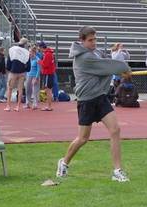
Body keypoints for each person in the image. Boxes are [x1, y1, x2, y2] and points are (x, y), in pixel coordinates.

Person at [56, 26, 131, 182]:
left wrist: (119, 71)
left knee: (115, 130)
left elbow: (107, 64)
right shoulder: (83, 58)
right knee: (83, 138)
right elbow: (107, 66)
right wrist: (124, 69)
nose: (94, 43)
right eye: (90, 40)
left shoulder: (95, 53)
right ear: (81, 41)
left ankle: (117, 170)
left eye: (95, 39)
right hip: (86, 101)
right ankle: (64, 162)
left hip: (100, 97)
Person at [5, 37, 31, 112]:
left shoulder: (12, 49)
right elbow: (28, 65)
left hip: (13, 71)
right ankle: (18, 106)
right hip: (22, 72)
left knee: (10, 88)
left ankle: (8, 105)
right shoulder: (26, 53)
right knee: (20, 89)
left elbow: (9, 61)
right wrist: (25, 69)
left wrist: (9, 68)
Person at [38, 41, 55, 111]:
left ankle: (49, 106)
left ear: (42, 47)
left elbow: (45, 65)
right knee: (48, 90)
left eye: (40, 48)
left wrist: (39, 62)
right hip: (49, 73)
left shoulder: (47, 54)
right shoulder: (49, 53)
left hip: (48, 73)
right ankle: (49, 105)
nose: (39, 49)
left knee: (48, 90)